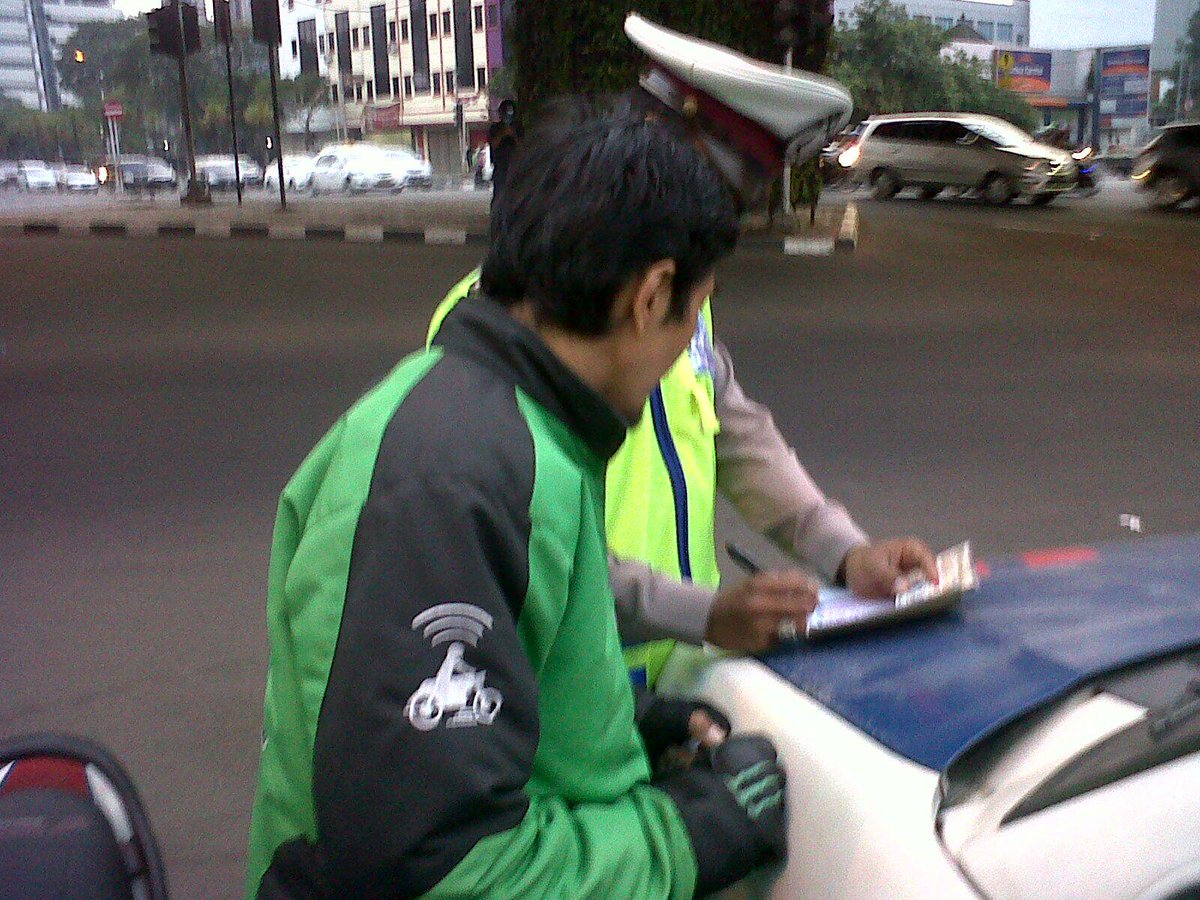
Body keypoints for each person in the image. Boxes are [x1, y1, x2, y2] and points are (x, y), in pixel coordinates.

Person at [246, 104, 789, 898]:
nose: (685, 354)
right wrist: (691, 832)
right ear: (651, 296)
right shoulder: (457, 479)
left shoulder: (524, 430)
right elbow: (439, 867)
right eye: (691, 320)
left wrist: (616, 732)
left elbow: (477, 714)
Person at [429, 15, 939, 688]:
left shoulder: (677, 293)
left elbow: (736, 432)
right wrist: (703, 613)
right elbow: (528, 550)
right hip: (575, 689)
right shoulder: (501, 323)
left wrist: (846, 554)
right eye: (709, 193)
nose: (710, 231)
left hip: (680, 678)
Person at [486, 98, 521, 205]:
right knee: (499, 195)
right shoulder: (495, 128)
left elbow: (522, 146)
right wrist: (503, 134)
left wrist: (513, 135)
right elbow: (493, 145)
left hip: (516, 167)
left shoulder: (518, 127)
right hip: (500, 166)